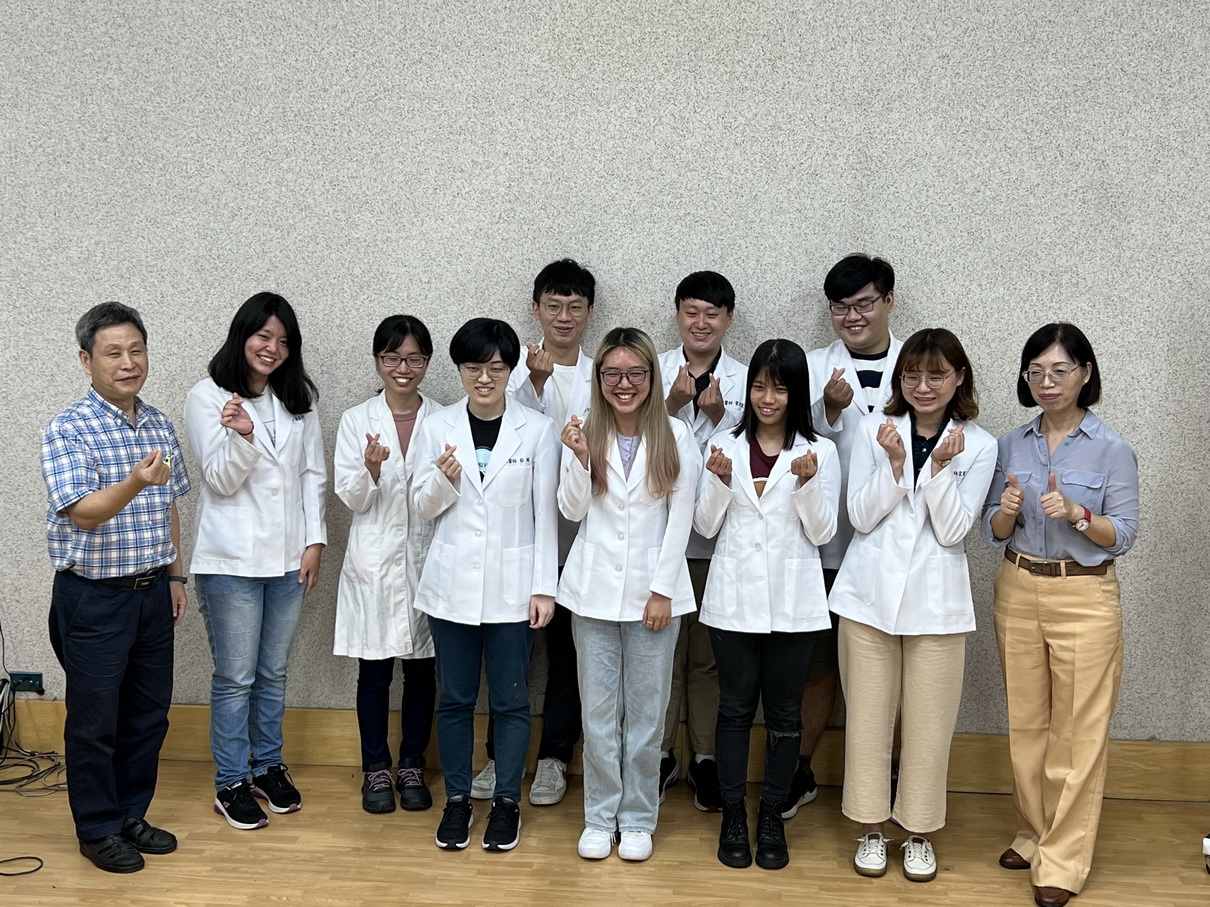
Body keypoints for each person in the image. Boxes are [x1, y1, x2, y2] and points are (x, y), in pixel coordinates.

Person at [829, 328, 996, 882]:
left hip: (936, 604)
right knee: (868, 721)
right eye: (912, 375)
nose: (923, 387)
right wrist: (897, 466)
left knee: (929, 725)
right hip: (868, 598)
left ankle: (919, 833)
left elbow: (952, 531)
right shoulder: (875, 431)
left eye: (937, 376)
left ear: (959, 378)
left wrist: (941, 470)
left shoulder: (980, 444)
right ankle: (871, 829)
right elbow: (860, 516)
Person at [981, 323, 1139, 907]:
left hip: (1084, 596)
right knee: (1026, 724)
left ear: (1085, 373)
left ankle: (1065, 859)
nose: (1047, 382)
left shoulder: (1111, 449)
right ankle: (1035, 832)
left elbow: (1123, 534)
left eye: (1059, 371)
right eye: (1036, 372)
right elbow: (993, 530)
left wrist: (1077, 513)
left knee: (1077, 731)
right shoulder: (1010, 444)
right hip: (1018, 585)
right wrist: (1007, 509)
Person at [42, 302, 191, 873]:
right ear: (86, 360)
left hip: (152, 592)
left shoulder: (159, 424)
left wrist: (175, 575)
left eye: (137, 350)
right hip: (94, 598)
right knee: (95, 721)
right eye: (113, 353)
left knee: (148, 716)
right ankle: (98, 827)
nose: (128, 363)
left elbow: (169, 503)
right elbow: (82, 512)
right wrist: (134, 481)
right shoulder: (68, 428)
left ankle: (130, 814)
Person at [411, 318, 559, 853]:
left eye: (496, 367)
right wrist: (443, 479)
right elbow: (420, 508)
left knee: (512, 701)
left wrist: (544, 588)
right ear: (459, 369)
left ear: (511, 370)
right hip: (451, 586)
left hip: (513, 589)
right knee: (454, 698)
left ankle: (506, 804)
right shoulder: (437, 426)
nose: (484, 377)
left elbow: (546, 516)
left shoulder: (536, 430)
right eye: (473, 367)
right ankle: (456, 801)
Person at [694, 339, 840, 870]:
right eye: (758, 386)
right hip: (733, 599)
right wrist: (717, 482)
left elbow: (823, 532)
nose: (768, 398)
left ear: (796, 393)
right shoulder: (723, 445)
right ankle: (734, 813)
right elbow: (704, 526)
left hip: (793, 602)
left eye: (779, 388)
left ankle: (772, 814)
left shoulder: (821, 452)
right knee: (734, 710)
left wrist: (807, 484)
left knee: (784, 714)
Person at [557, 327, 702, 862]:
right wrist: (578, 459)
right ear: (599, 379)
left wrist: (662, 591)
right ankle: (599, 816)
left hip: (652, 597)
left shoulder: (676, 434)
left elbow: (681, 519)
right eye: (613, 373)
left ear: (651, 377)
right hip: (593, 593)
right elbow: (571, 510)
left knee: (646, 716)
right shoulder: (583, 430)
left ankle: (638, 818)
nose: (624, 384)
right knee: (597, 716)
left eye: (636, 373)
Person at [184, 291, 327, 830]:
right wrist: (243, 435)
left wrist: (315, 541)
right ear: (242, 335)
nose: (272, 348)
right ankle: (231, 781)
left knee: (273, 672)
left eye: (283, 341)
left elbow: (312, 474)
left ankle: (267, 765)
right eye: (263, 336)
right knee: (236, 676)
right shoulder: (207, 397)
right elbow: (218, 480)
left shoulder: (297, 398)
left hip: (289, 558)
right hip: (232, 561)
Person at [471, 258, 595, 807]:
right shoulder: (508, 371)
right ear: (536, 308)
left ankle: (553, 759)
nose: (563, 316)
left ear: (589, 312)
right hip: (518, 542)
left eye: (574, 306)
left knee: (568, 657)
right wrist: (535, 385)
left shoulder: (601, 375)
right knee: (511, 658)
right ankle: (501, 757)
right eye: (553, 305)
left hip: (581, 539)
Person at [789, 253, 904, 817]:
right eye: (840, 307)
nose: (852, 316)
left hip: (894, 546)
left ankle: (894, 776)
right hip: (822, 545)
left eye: (864, 304)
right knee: (817, 665)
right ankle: (800, 770)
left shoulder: (918, 364)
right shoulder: (811, 367)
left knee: (892, 668)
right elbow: (782, 435)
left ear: (889, 302)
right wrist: (828, 413)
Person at [333, 315, 441, 814]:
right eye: (393, 358)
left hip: (427, 559)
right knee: (374, 674)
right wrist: (371, 469)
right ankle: (375, 767)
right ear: (378, 361)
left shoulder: (442, 419)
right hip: (374, 564)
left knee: (422, 673)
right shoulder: (356, 420)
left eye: (414, 358)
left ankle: (412, 763)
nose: (403, 368)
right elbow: (353, 499)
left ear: (427, 363)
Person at [657, 270, 747, 811]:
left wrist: (717, 418)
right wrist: (669, 408)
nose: (701, 322)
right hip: (660, 540)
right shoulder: (652, 370)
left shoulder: (746, 379)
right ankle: (661, 754)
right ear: (677, 315)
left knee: (708, 660)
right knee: (662, 653)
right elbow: (632, 439)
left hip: (717, 544)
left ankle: (706, 758)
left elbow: (757, 446)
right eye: (691, 312)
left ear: (728, 319)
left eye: (712, 313)